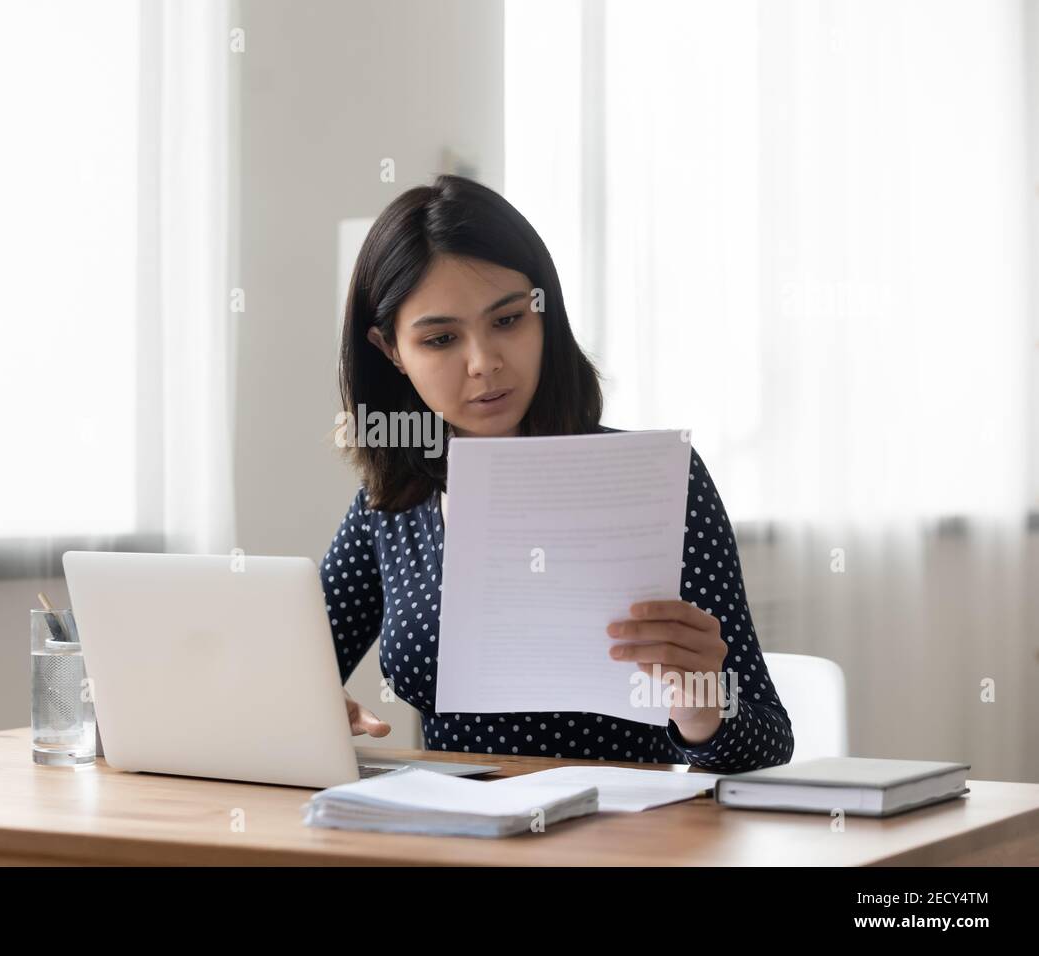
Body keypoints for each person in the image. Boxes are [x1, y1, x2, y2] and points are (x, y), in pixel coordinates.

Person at [323, 174, 793, 772]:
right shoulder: (390, 506)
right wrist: (308, 709)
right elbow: (288, 672)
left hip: (624, 838)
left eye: (509, 321)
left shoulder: (654, 482)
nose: (484, 363)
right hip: (451, 834)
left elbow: (770, 743)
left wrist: (703, 710)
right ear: (391, 350)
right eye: (441, 338)